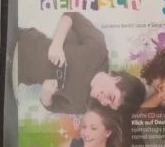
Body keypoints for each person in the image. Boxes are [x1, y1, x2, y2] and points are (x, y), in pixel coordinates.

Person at [16, 11, 146, 115]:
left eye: (109, 105)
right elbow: (72, 16)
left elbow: (51, 106)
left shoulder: (83, 106)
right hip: (21, 41)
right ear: (117, 79)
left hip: (18, 75)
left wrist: (46, 94)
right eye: (111, 97)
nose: (104, 102)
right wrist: (57, 44)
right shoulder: (98, 50)